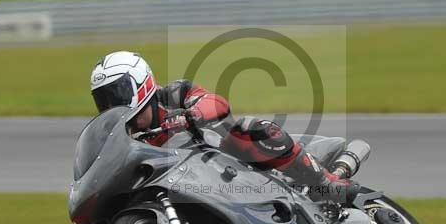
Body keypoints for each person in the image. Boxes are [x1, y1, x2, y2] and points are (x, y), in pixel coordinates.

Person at [89, 51, 359, 204]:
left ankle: (326, 183)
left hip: (229, 164)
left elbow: (216, 103)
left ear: (141, 83)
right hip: (194, 190)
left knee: (248, 129)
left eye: (117, 93)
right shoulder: (124, 138)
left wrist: (192, 114)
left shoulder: (174, 94)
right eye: (104, 99)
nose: (112, 104)